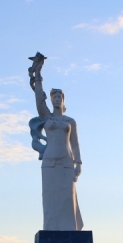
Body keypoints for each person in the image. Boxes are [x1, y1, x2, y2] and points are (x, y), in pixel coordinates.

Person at [28, 54, 84, 231]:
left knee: (68, 199)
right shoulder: (47, 117)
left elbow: (74, 144)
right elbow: (39, 100)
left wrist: (78, 163)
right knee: (51, 199)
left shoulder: (70, 121)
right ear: (51, 101)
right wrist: (37, 75)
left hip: (67, 163)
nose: (57, 99)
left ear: (63, 100)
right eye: (54, 97)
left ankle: (70, 233)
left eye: (60, 97)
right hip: (50, 162)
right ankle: (51, 232)